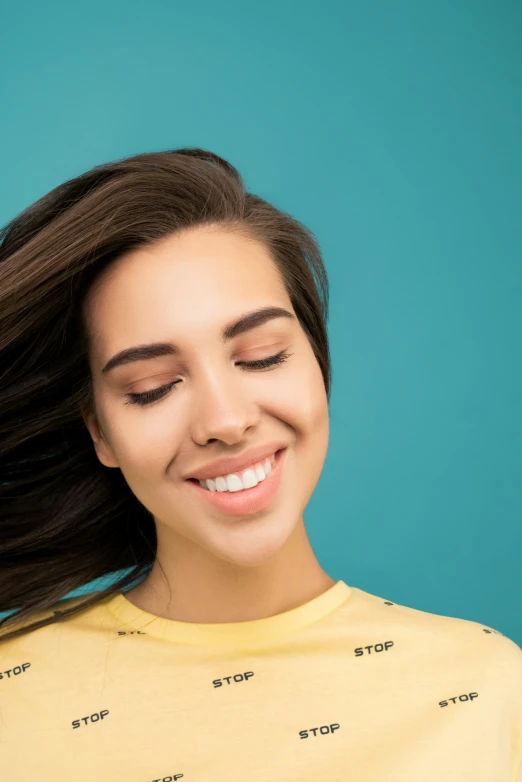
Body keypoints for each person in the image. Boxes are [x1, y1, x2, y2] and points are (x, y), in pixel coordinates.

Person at [0, 148, 520, 781]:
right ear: (100, 433)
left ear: (317, 367)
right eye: (153, 387)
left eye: (262, 355)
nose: (225, 420)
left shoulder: (488, 689)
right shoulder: (13, 691)